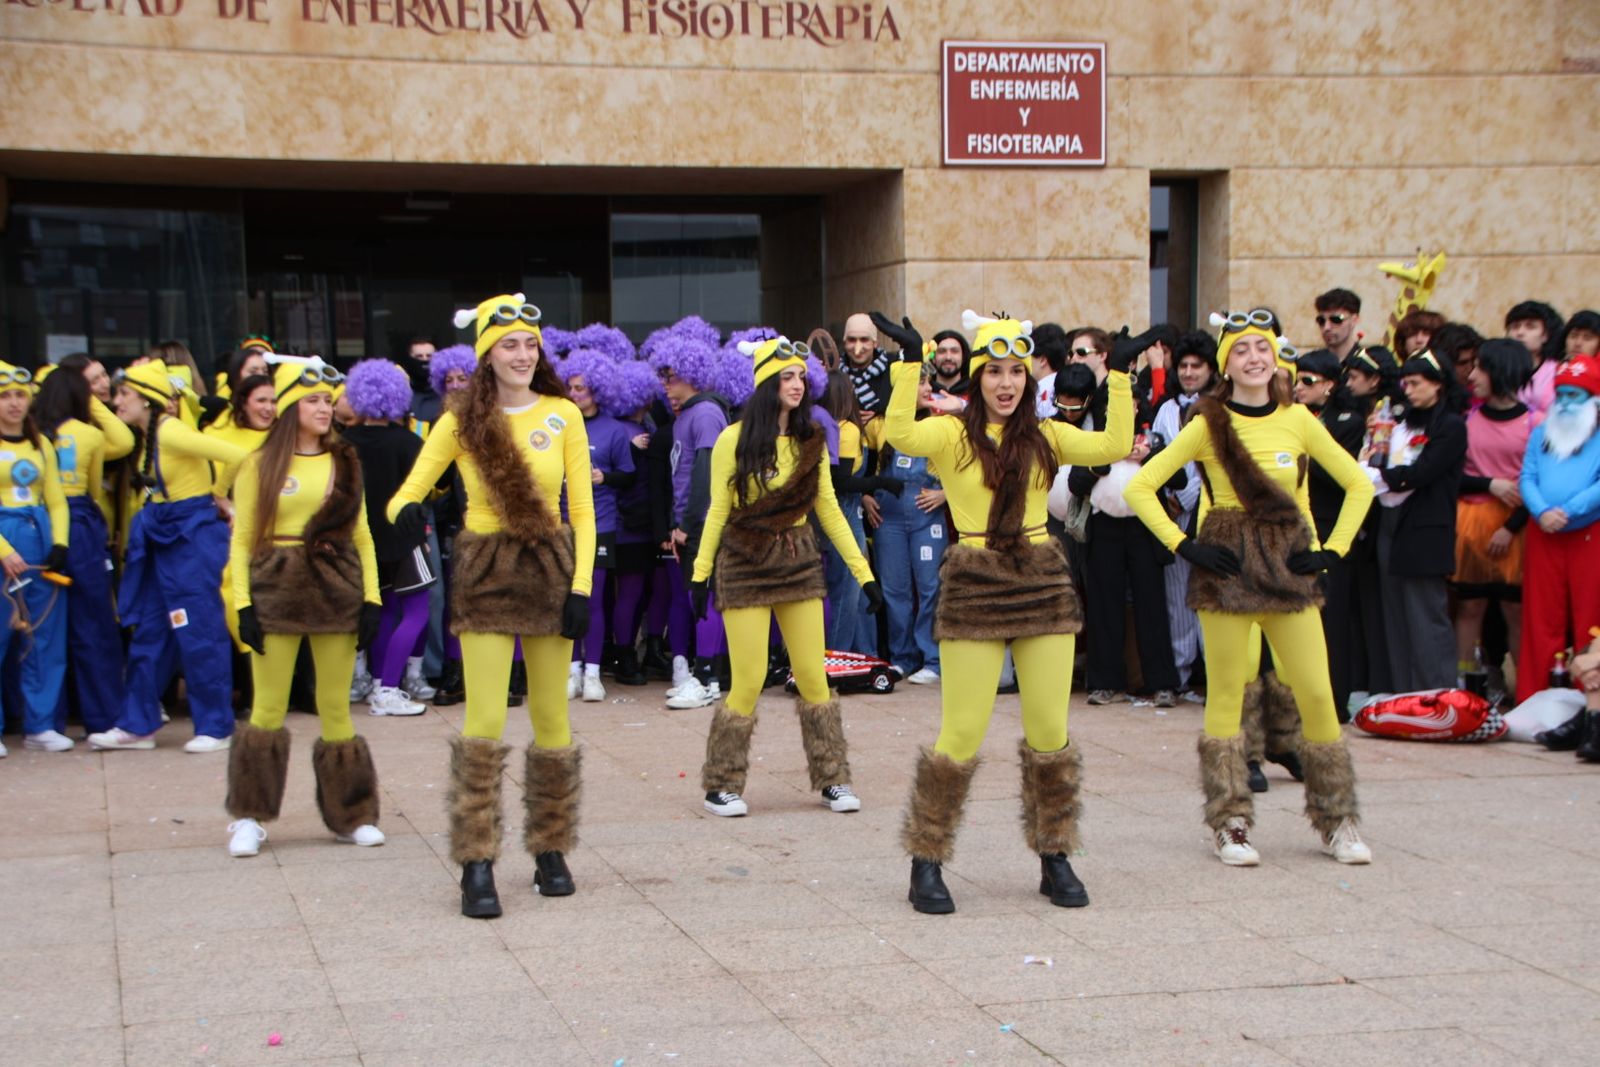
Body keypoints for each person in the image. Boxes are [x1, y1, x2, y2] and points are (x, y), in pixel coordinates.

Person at [874, 307, 1135, 915]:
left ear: (1029, 376)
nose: (1006, 382)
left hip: (1040, 579)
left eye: (1016, 370)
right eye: (993, 371)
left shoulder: (1048, 435)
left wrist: (1118, 376)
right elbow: (900, 434)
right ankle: (926, 860)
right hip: (975, 578)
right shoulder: (950, 434)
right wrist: (909, 364)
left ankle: (1055, 854)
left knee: (1049, 731)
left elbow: (1114, 445)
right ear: (977, 377)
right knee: (962, 730)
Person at [1126, 309, 1376, 868]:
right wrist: (1184, 545)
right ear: (1226, 364)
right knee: (1227, 693)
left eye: (1262, 347)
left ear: (1276, 357)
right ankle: (1230, 823)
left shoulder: (1299, 419)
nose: (1254, 358)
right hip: (1228, 574)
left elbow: (1357, 484)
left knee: (1317, 692)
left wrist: (1332, 550)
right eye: (1241, 350)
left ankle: (1338, 819)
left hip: (1288, 573)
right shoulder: (1204, 424)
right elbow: (1142, 486)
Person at [389, 294, 594, 919]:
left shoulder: (563, 413)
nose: (523, 354)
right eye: (510, 344)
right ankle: (476, 861)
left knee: (552, 717)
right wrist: (405, 512)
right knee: (484, 719)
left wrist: (581, 587)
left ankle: (550, 848)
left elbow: (582, 512)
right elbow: (407, 493)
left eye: (531, 344)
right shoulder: (458, 422)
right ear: (486, 354)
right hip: (485, 573)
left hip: (550, 571)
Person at [691, 337, 881, 818]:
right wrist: (699, 574)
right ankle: (721, 784)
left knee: (814, 675)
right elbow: (717, 509)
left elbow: (830, 511)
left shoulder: (811, 437)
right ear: (764, 384)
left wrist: (864, 575)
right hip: (746, 560)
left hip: (797, 559)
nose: (797, 385)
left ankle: (833, 778)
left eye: (801, 376)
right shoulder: (733, 439)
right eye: (786, 377)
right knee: (749, 678)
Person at [224, 362, 386, 858]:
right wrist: (243, 603)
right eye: (312, 399)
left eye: (327, 400)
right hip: (276, 589)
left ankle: (353, 815)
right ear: (290, 405)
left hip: (336, 588)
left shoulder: (345, 460)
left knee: (335, 706)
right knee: (268, 707)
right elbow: (242, 539)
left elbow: (362, 534)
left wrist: (372, 597)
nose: (324, 408)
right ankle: (249, 816)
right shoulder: (258, 464)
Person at [88, 361, 249, 753]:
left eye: (124, 394)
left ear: (147, 399)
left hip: (191, 537)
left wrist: (219, 494)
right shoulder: (149, 435)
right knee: (151, 630)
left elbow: (237, 454)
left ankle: (216, 726)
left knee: (199, 630)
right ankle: (136, 725)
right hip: (165, 534)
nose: (118, 400)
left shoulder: (170, 431)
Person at [30, 364, 135, 737]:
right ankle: (103, 716)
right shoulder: (89, 434)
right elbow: (122, 444)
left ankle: (43, 720)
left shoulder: (30, 435)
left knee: (41, 625)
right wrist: (96, 405)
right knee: (94, 624)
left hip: (36, 523)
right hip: (81, 525)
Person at [1364, 350, 1469, 693]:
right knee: (1395, 615)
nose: (1407, 390)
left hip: (1424, 527)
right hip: (1389, 520)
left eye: (1415, 383)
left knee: (1425, 617)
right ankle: (1402, 694)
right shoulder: (1400, 423)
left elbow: (1423, 471)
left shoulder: (1451, 426)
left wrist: (1378, 478)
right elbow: (1381, 460)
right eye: (1404, 384)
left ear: (1437, 384)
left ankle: (1436, 695)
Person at [341, 359, 430, 716]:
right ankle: (389, 688)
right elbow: (428, 489)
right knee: (417, 612)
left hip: (363, 542)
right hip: (405, 539)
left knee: (384, 611)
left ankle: (379, 683)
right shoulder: (409, 442)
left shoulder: (343, 443)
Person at [649, 330, 729, 708]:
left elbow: (706, 476)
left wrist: (688, 525)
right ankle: (707, 676)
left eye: (671, 376)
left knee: (707, 597)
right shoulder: (687, 417)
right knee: (700, 598)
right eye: (663, 377)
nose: (665, 384)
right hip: (692, 525)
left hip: (705, 526)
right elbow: (679, 477)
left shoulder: (707, 413)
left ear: (691, 374)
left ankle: (708, 678)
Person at [1516, 355, 1600, 705]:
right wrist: (1541, 511)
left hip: (1589, 533)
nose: (1565, 403)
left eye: (1574, 395)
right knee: (1540, 618)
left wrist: (1568, 510)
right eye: (1561, 394)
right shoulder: (1541, 433)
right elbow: (1527, 477)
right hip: (1544, 532)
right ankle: (1533, 699)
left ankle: (1591, 703)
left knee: (1590, 619)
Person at [1453, 339, 1535, 694]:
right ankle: (1463, 687)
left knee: (1515, 610)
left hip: (1519, 525)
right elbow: (1452, 474)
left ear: (1500, 371)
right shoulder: (1467, 420)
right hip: (1472, 524)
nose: (1472, 375)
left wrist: (1511, 527)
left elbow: (1542, 481)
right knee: (1470, 606)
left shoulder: (1535, 422)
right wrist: (1490, 484)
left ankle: (1527, 690)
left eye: (1480, 368)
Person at [0, 363, 72, 754]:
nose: (14, 403)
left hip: (38, 542)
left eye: (19, 395)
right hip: (5, 540)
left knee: (44, 636)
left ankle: (41, 724)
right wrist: (4, 550)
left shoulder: (41, 443)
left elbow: (56, 500)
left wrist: (60, 544)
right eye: (5, 396)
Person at [558, 349, 637, 704]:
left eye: (581, 388)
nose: (574, 394)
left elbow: (628, 475)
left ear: (598, 390)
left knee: (592, 598)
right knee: (565, 598)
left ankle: (592, 672)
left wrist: (604, 476)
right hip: (561, 524)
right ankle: (570, 670)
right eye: (570, 387)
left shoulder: (614, 430)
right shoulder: (558, 423)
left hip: (600, 523)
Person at [1149, 332, 1217, 697]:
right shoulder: (1166, 409)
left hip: (1210, 513)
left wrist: (1190, 496)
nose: (1189, 373)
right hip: (1171, 514)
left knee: (1210, 596)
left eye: (1197, 366)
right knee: (1176, 598)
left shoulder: (1222, 407)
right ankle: (1179, 675)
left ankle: (1214, 676)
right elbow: (1157, 459)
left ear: (1211, 369)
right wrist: (1170, 498)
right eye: (1184, 366)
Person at [873, 370, 948, 685]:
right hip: (888, 520)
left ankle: (933, 659)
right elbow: (862, 469)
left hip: (927, 519)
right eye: (920, 381)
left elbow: (968, 467)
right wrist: (865, 496)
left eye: (928, 381)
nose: (928, 387)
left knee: (931, 588)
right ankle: (902, 657)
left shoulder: (941, 423)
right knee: (895, 591)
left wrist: (946, 494)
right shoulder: (880, 425)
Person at [1506, 300, 1566, 416]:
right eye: (1515, 327)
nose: (1520, 333)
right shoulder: (1501, 369)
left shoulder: (1558, 371)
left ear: (1546, 335)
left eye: (1530, 327)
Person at [840, 312, 892, 416]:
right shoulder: (833, 372)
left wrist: (879, 416)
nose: (858, 347)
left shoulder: (891, 370)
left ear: (875, 343)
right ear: (845, 343)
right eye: (852, 340)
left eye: (864, 340)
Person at [1313, 289, 1365, 363]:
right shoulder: (1308, 364)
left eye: (1336, 320)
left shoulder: (1372, 364)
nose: (1326, 327)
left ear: (1354, 320)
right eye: (1321, 320)